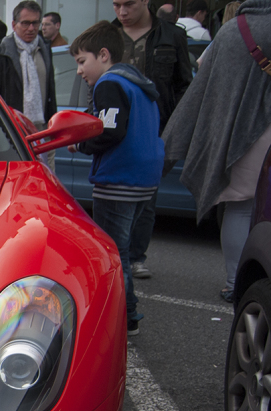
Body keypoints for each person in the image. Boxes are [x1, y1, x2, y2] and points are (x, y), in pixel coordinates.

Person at [162, 0, 271, 302]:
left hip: (242, 134)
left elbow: (203, 70)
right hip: (264, 128)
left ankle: (235, 281)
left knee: (239, 206)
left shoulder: (233, 28)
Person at [70, 21, 164, 337]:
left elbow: (110, 130)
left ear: (104, 55)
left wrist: (81, 142)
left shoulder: (109, 84)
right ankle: (129, 313)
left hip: (119, 177)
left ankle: (126, 317)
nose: (80, 71)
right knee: (123, 251)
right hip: (146, 178)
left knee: (114, 253)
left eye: (82, 61)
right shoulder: (139, 82)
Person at [112, 0, 192, 280]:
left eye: (128, 4)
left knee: (146, 197)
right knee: (112, 196)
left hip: (156, 128)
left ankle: (136, 257)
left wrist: (174, 128)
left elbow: (184, 85)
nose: (122, 12)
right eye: (115, 4)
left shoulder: (172, 35)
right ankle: (116, 257)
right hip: (117, 127)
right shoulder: (109, 33)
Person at [0, 1, 57, 165]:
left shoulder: (44, 50)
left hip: (43, 130)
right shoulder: (0, 56)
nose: (31, 28)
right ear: (14, 24)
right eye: (25, 23)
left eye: (35, 23)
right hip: (13, 134)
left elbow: (50, 90)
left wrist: (53, 126)